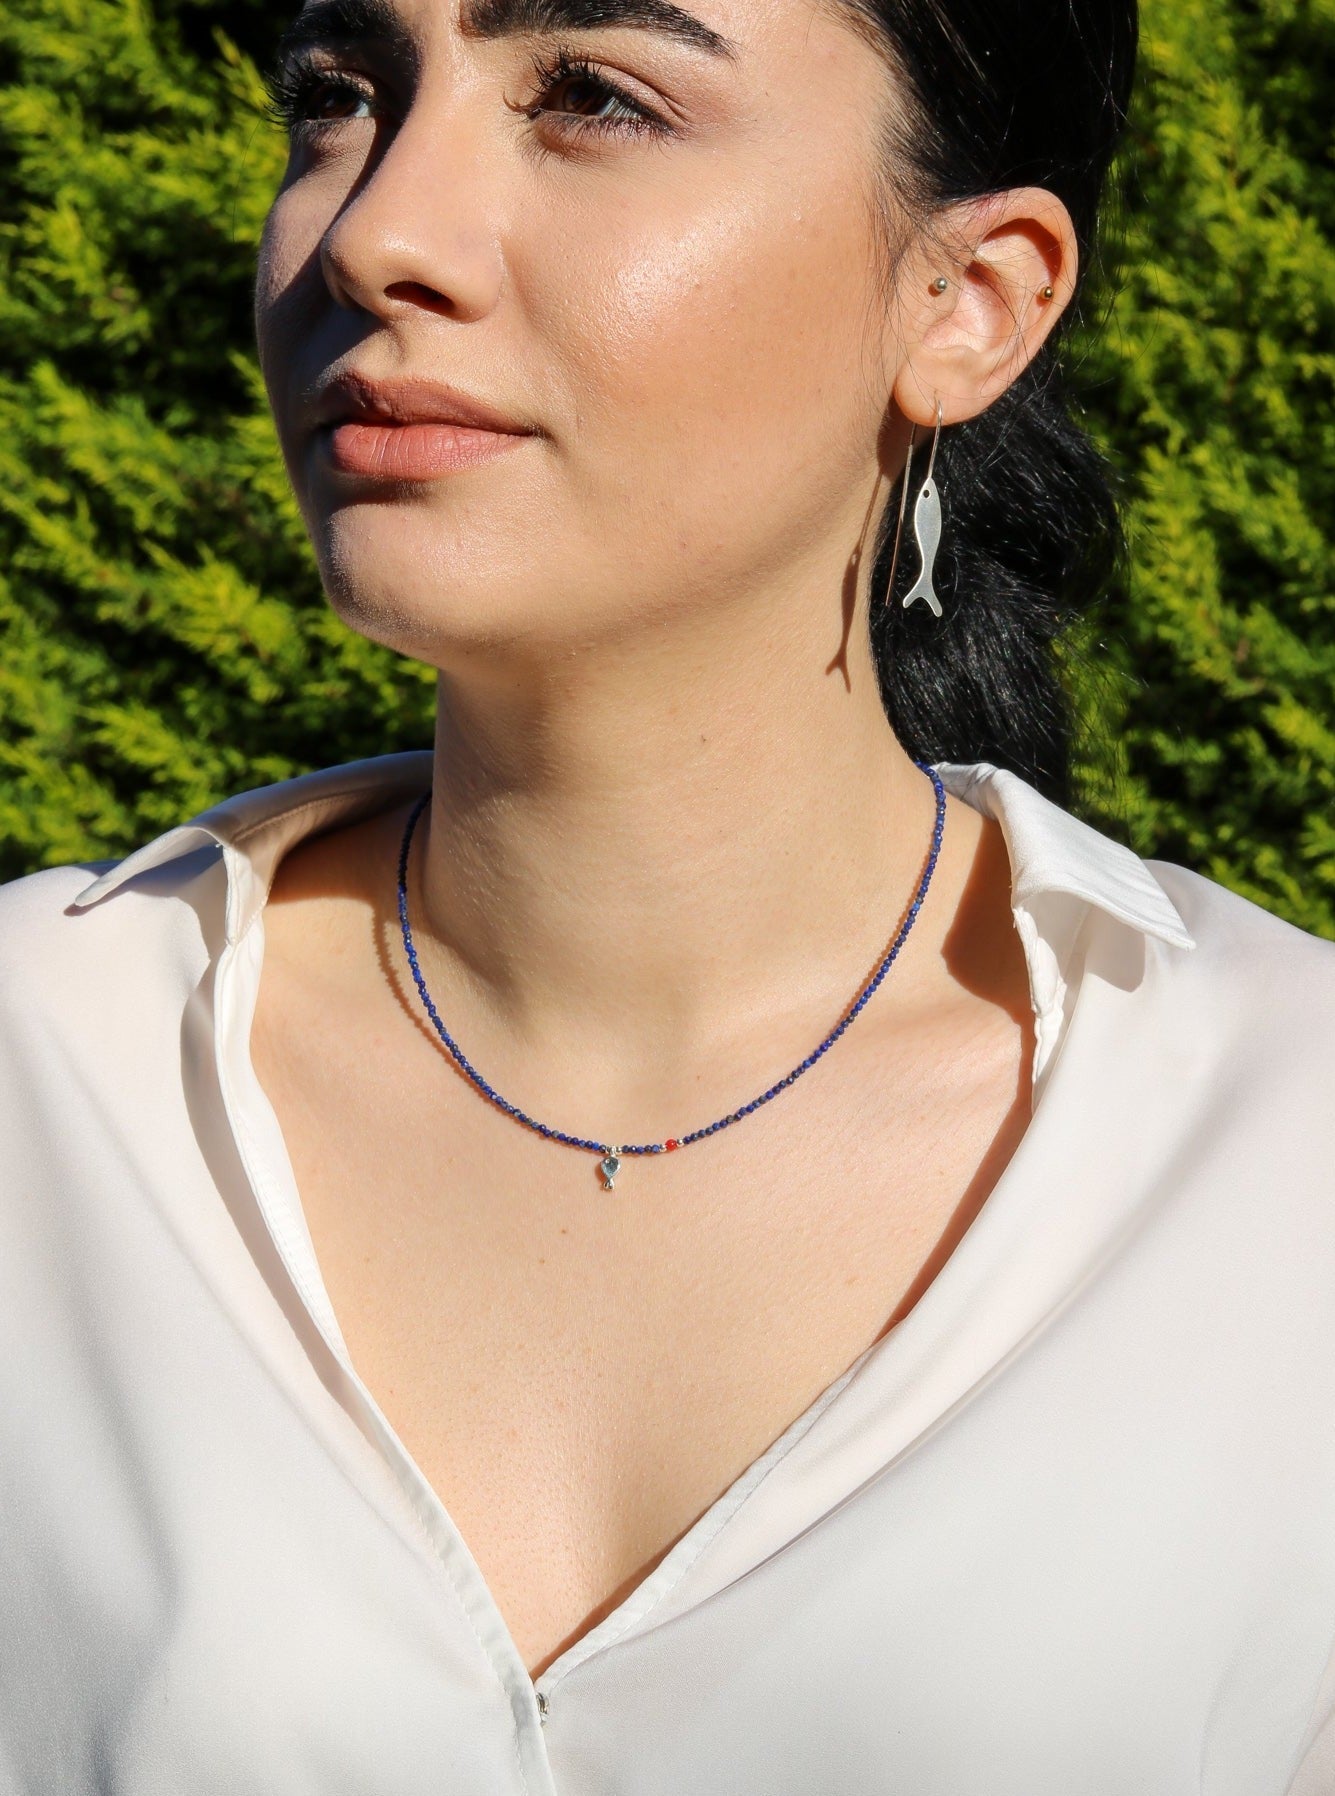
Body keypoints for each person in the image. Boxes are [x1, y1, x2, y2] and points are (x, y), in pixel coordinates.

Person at [1, 0, 1332, 1789]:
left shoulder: (1282, 1166)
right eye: (340, 98)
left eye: (596, 99)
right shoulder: (42, 1085)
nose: (379, 232)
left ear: (971, 300)